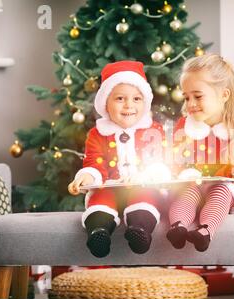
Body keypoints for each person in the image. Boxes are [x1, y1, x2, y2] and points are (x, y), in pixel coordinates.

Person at [166, 54, 234, 252]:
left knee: (220, 191)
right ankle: (178, 227)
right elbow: (174, 162)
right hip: (194, 186)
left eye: (198, 96)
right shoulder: (184, 126)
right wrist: (183, 173)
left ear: (224, 95)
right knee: (186, 193)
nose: (190, 104)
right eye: (186, 97)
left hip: (227, 188)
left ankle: (205, 231)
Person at [68, 60, 168, 257]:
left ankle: (140, 230)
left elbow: (159, 163)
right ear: (106, 103)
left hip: (142, 186)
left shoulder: (153, 130)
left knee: (146, 199)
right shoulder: (98, 134)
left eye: (137, 99)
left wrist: (144, 176)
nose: (129, 105)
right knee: (100, 200)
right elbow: (94, 164)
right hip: (110, 188)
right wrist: (86, 177)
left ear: (145, 102)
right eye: (120, 98)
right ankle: (99, 232)